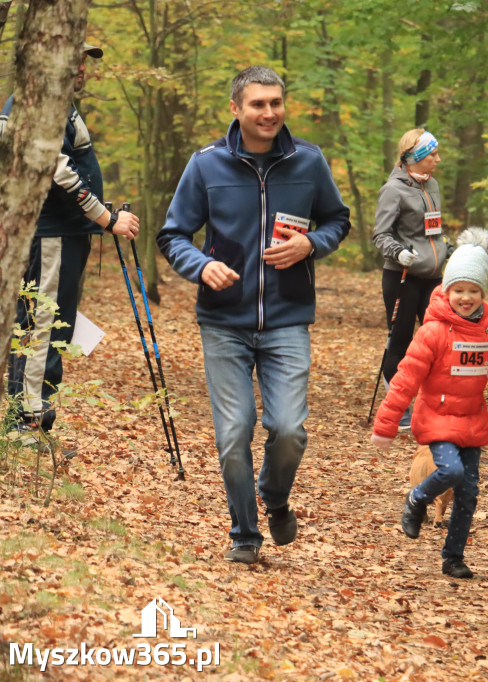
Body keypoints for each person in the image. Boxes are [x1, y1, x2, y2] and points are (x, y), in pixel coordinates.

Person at [157, 66, 351, 565]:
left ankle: (275, 495)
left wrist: (310, 243)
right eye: (258, 104)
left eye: (276, 103)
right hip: (224, 322)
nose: (268, 113)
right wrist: (202, 267)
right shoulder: (206, 166)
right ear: (236, 109)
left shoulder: (308, 161)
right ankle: (245, 534)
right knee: (234, 431)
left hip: (287, 319)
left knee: (288, 429)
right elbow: (172, 234)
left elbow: (338, 220)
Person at [3, 42, 140, 431]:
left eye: (84, 62)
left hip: (62, 236)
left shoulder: (53, 103)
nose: (81, 68)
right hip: (52, 236)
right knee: (42, 326)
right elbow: (57, 171)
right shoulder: (40, 101)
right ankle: (27, 424)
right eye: (73, 60)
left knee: (52, 324)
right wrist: (105, 217)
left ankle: (32, 417)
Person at [370, 228, 488, 580]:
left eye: (473, 291)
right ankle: (417, 498)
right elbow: (406, 379)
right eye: (459, 290)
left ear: (483, 293)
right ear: (446, 290)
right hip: (436, 418)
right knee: (451, 473)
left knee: (467, 494)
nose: (465, 298)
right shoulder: (433, 332)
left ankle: (453, 557)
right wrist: (385, 425)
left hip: (472, 423)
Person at [371, 128, 449, 431]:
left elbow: (432, 231)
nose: (438, 160)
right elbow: (381, 235)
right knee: (400, 341)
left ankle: (440, 406)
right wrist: (398, 252)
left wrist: (447, 247)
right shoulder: (393, 189)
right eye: (432, 154)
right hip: (402, 276)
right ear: (415, 157)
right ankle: (399, 407)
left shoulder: (433, 186)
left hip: (433, 277)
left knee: (440, 342)